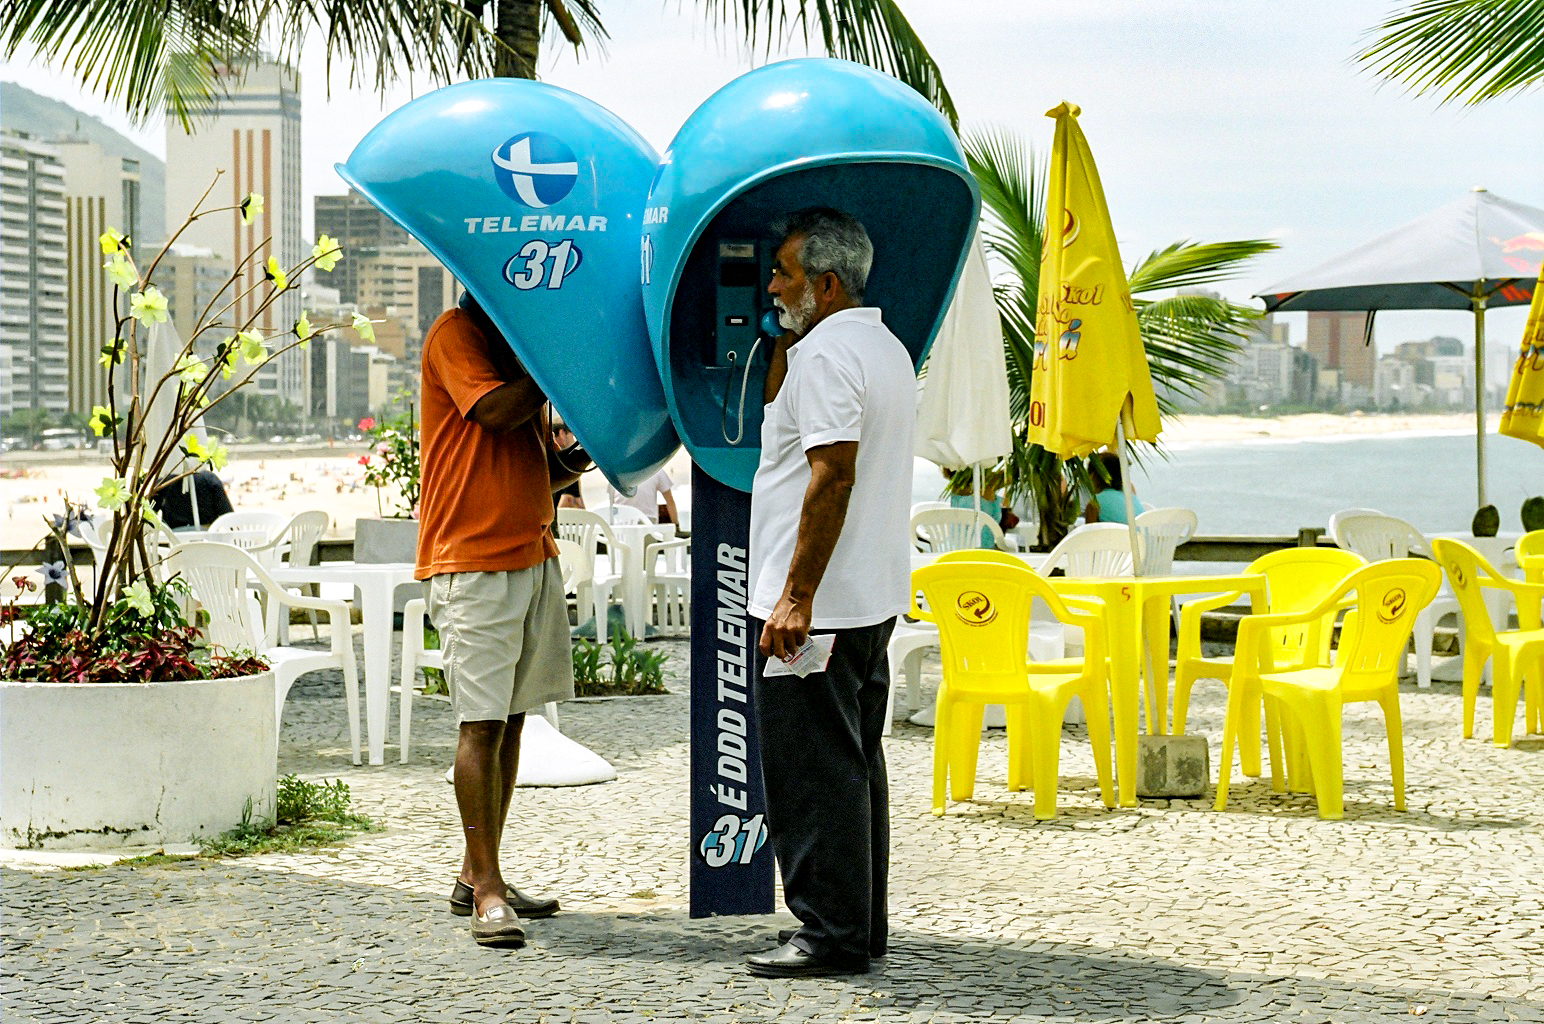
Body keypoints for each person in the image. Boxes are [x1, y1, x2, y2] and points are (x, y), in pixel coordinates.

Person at [743, 207, 915, 979]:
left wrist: (794, 597)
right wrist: (785, 336)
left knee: (811, 776)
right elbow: (786, 428)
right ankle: (859, 922)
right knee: (851, 766)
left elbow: (831, 473)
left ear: (828, 282)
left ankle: (827, 935)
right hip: (867, 599)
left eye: (784, 273)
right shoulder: (880, 347)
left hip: (819, 609)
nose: (771, 284)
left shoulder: (829, 360)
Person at [416, 293, 588, 949]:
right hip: (474, 561)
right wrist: (555, 370)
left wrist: (579, 456)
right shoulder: (456, 333)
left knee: (513, 718)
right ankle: (486, 891)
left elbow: (538, 471)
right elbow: (490, 415)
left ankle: (477, 872)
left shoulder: (516, 349)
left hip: (529, 550)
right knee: (481, 724)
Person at [151, 470, 234, 529]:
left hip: (173, 537)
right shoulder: (208, 479)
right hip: (206, 536)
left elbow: (150, 512)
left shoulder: (164, 483)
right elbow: (227, 513)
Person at [1082, 450, 1146, 524]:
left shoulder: (1094, 505)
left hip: (1122, 535)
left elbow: (1089, 533)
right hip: (1143, 535)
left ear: (1093, 476)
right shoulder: (1130, 497)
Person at [604, 466, 679, 525]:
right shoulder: (656, 470)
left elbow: (612, 505)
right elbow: (670, 502)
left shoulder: (616, 473)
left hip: (621, 524)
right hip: (647, 522)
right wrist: (676, 525)